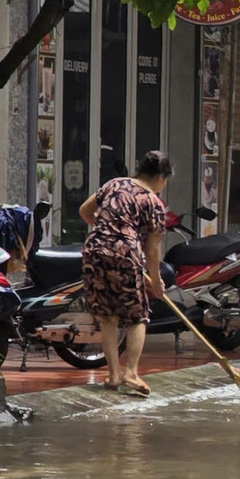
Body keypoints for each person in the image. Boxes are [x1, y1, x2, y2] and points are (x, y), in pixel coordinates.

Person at [78, 149, 172, 397]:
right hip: (125, 253)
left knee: (108, 314)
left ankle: (113, 374)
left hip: (95, 249)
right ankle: (131, 371)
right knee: (136, 315)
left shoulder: (114, 184)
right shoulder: (154, 202)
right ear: (161, 176)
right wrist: (157, 281)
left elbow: (85, 211)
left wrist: (107, 230)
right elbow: (152, 251)